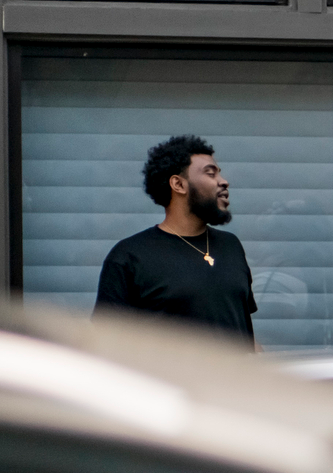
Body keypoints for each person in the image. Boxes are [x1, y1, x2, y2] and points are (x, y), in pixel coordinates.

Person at [95, 135, 256, 345]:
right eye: (210, 173)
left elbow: (242, 330)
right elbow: (107, 344)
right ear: (178, 184)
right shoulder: (129, 257)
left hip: (234, 379)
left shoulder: (231, 246)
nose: (223, 181)